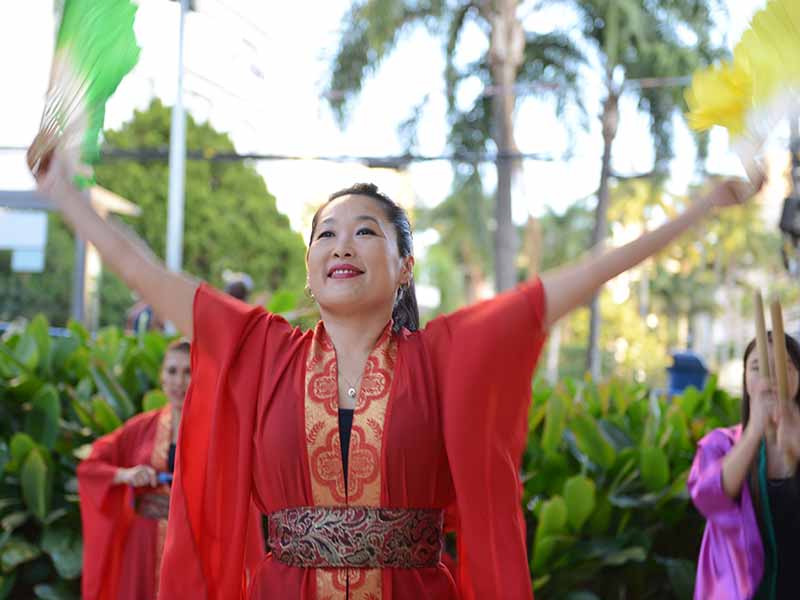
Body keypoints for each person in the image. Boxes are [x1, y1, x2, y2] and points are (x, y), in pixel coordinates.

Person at [34, 145, 757, 600]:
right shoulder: (261, 352)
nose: (342, 243)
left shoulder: (447, 358)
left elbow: (577, 280)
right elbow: (147, 273)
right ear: (311, 272)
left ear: (403, 268)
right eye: (326, 233)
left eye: (366, 231)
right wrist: (65, 192)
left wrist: (704, 206)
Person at [76, 339, 264, 599]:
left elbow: (238, 492)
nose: (179, 381)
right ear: (162, 377)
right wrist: (126, 474)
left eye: (188, 371)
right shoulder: (140, 428)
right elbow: (90, 467)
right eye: (172, 371)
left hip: (197, 546)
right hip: (144, 546)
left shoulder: (220, 431)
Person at [689, 333, 800, 600]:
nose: (769, 378)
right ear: (745, 381)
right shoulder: (721, 444)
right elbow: (707, 495)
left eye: (782, 368)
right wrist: (753, 432)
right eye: (757, 368)